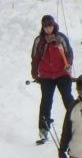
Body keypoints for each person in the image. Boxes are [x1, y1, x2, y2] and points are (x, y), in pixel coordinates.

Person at [30, 14, 75, 143]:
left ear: (54, 26)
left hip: (62, 74)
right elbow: (35, 58)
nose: (48, 29)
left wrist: (69, 64)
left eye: (50, 26)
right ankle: (43, 129)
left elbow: (69, 53)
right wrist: (35, 74)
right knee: (46, 101)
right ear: (43, 27)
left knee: (68, 98)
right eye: (46, 27)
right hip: (46, 76)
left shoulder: (61, 38)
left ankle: (76, 122)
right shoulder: (39, 41)